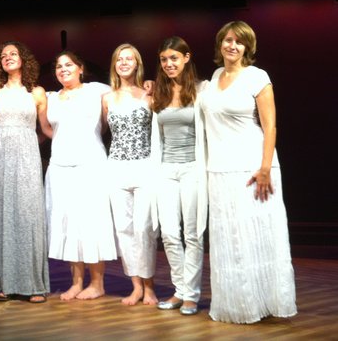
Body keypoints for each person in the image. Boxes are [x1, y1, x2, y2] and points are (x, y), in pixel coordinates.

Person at [200, 20, 296, 323]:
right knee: (230, 239)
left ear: (247, 47)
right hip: (219, 170)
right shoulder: (214, 78)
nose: (232, 46)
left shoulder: (257, 76)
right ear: (219, 45)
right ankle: (237, 305)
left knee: (257, 236)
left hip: (252, 169)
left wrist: (266, 167)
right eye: (227, 40)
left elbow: (271, 126)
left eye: (238, 42)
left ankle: (263, 303)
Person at [0, 41, 51, 303]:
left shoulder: (37, 92)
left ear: (24, 59)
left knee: (28, 215)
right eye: (3, 55)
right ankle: (4, 282)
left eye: (13, 53)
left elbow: (45, 129)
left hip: (27, 159)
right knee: (0, 216)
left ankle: (33, 284)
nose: (7, 57)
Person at [45, 50, 117, 301]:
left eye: (69, 65)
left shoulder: (97, 90)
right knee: (68, 223)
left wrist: (148, 85)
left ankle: (97, 283)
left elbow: (125, 95)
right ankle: (76, 281)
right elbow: (46, 129)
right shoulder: (51, 97)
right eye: (59, 66)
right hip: (61, 167)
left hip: (91, 165)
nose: (63, 69)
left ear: (80, 68)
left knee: (91, 222)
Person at [151, 37, 207, 315]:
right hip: (166, 169)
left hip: (193, 167)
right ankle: (180, 290)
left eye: (174, 58)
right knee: (170, 234)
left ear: (186, 57)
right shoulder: (158, 94)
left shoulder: (201, 90)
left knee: (193, 234)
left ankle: (191, 295)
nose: (169, 64)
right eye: (164, 59)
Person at [102, 43, 158, 306]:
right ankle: (135, 285)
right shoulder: (107, 98)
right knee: (123, 228)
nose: (124, 63)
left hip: (144, 166)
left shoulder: (150, 94)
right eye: (119, 59)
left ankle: (150, 285)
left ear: (137, 64)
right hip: (116, 167)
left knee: (145, 228)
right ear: (115, 64)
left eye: (129, 59)